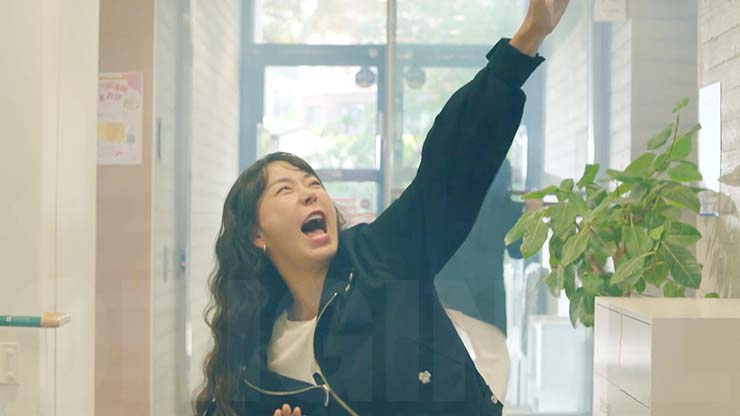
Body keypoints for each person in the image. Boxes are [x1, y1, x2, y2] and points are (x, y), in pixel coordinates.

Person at [194, 1, 569, 415]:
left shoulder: (381, 257)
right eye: (285, 190)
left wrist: (526, 39)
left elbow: (451, 161)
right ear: (256, 233)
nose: (310, 193)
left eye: (313, 183)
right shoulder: (258, 357)